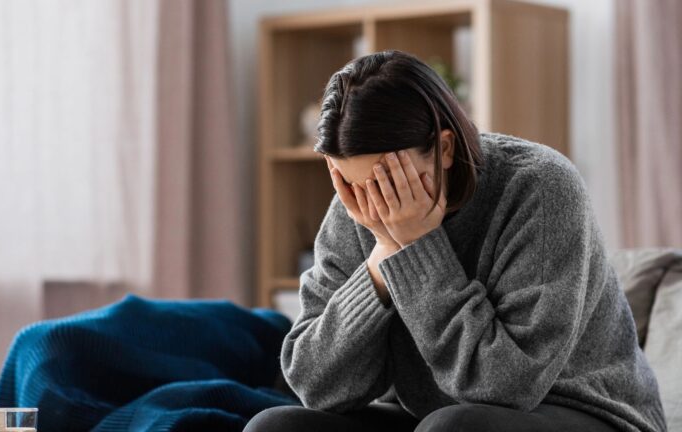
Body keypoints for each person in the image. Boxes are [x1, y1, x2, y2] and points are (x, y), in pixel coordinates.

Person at [244, 50, 666, 432]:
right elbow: (315, 388)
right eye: (351, 186)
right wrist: (381, 261)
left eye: (390, 183)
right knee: (275, 426)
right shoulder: (352, 206)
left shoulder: (542, 187)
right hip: (426, 416)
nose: (373, 207)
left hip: (583, 411)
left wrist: (417, 247)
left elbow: (508, 387)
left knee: (456, 427)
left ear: (444, 148)